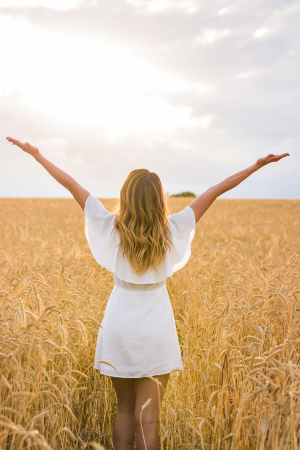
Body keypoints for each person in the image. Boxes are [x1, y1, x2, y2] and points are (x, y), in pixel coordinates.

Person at [6, 137, 289, 450]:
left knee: (124, 409)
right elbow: (215, 189)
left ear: (125, 196)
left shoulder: (109, 226)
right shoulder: (173, 229)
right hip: (156, 328)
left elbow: (71, 183)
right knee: (149, 420)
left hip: (118, 325)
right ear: (159, 199)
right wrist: (257, 166)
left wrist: (37, 155)